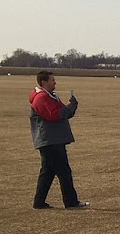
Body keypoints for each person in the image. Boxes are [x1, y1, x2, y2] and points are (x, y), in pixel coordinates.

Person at [30, 70, 88, 209]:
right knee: (64, 171)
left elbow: (63, 113)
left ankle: (39, 202)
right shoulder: (41, 98)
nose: (55, 82)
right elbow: (55, 115)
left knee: (48, 172)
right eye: (52, 80)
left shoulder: (50, 96)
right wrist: (70, 107)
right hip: (50, 140)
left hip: (51, 140)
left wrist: (72, 107)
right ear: (44, 82)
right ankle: (71, 202)